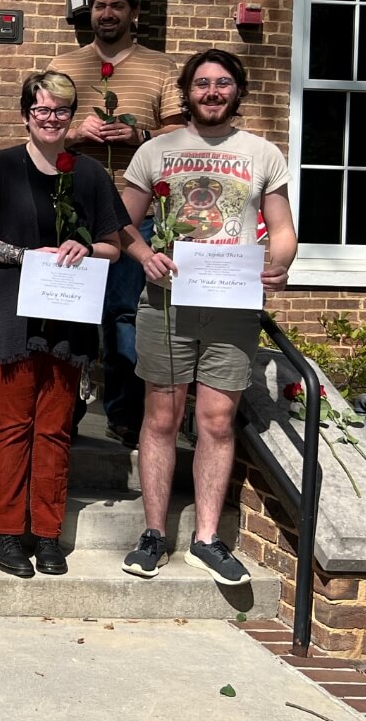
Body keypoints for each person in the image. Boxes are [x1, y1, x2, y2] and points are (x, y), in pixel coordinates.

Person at [119, 49, 295, 586]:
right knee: (162, 419)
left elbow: (281, 227)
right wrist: (144, 254)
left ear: (236, 91)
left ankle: (207, 537)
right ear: (186, 92)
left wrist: (282, 263)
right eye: (201, 84)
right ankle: (154, 533)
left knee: (217, 422)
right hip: (168, 303)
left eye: (222, 84)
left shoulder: (263, 154)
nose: (212, 93)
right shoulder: (157, 150)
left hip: (232, 304)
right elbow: (120, 224)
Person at [0, 72, 124, 577]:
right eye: (42, 110)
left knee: (54, 426)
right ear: (26, 113)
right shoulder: (3, 167)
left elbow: (114, 246)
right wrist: (25, 255)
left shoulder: (90, 174)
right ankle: (7, 533)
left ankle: (46, 533)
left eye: (61, 111)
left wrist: (85, 248)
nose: (51, 119)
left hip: (69, 310)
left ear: (71, 117)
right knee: (14, 422)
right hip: (9, 307)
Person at [48, 0, 185, 447]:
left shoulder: (162, 66)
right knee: (67, 309)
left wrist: (138, 137)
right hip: (73, 205)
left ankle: (124, 412)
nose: (107, 14)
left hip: (137, 208)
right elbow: (42, 130)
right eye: (99, 6)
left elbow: (178, 133)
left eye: (116, 7)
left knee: (125, 312)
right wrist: (78, 134)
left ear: (132, 13)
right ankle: (64, 406)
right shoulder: (66, 65)